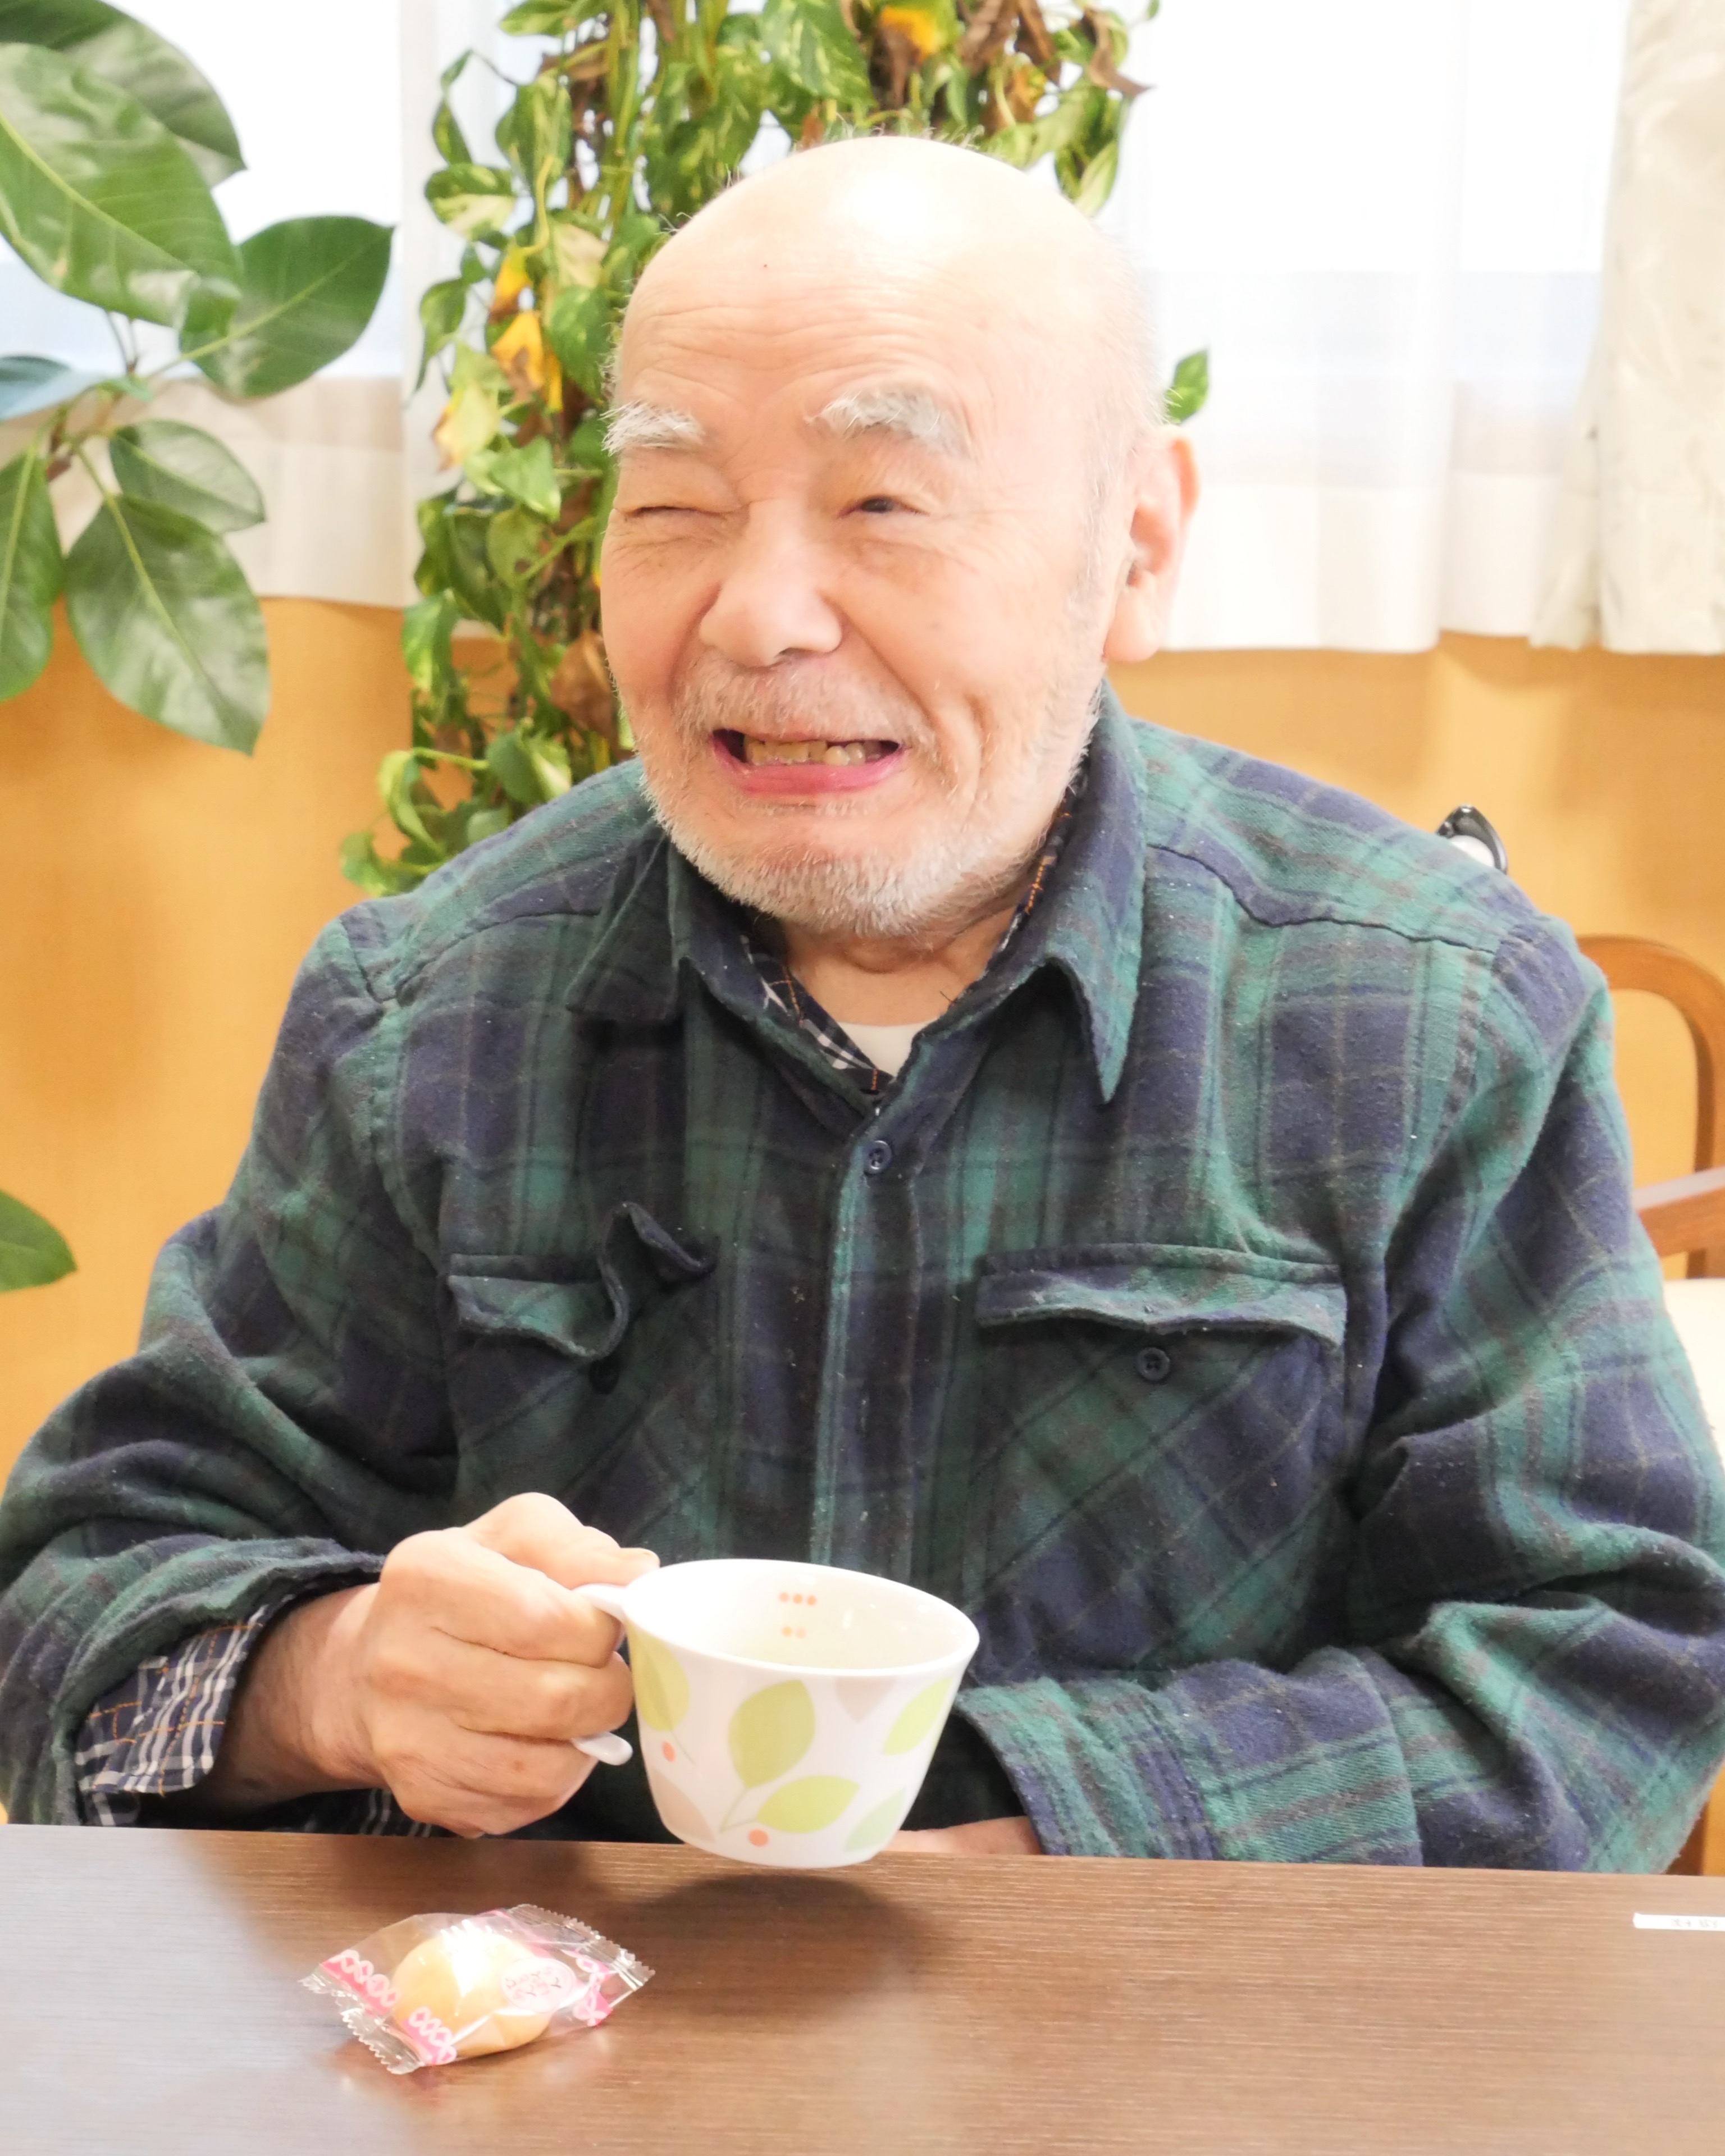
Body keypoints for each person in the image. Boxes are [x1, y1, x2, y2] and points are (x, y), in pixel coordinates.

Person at [3, 135, 1723, 1866]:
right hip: (565, 2029)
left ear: (1135, 546)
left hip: (1174, 2029)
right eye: (673, 508)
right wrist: (340, 1676)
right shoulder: (430, 1018)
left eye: (885, 504)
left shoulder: (1430, 1018)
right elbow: (76, 1592)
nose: (758, 617)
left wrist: (1044, 1854)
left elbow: (1615, 1662)